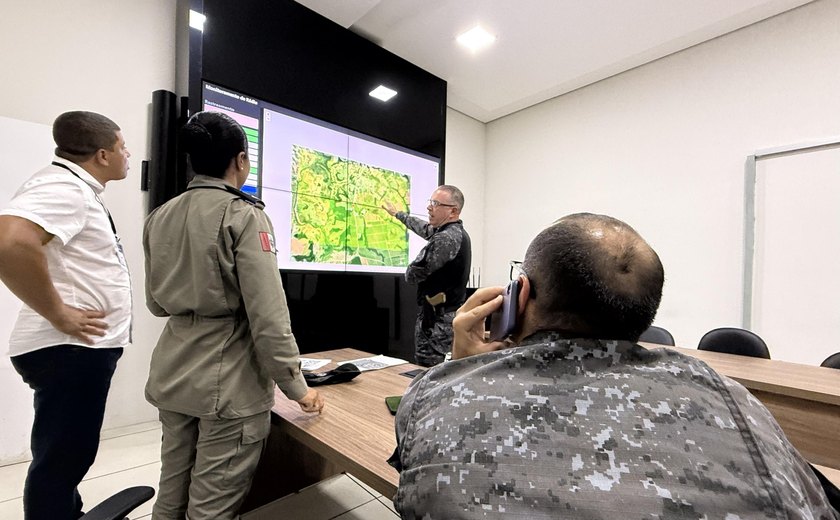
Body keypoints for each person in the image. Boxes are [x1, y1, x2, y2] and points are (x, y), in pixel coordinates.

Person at [390, 213, 839, 519]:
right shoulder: (735, 401)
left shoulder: (433, 395)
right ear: (646, 311)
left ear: (519, 295)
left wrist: (456, 374)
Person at [143, 111, 324, 520]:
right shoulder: (244, 215)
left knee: (172, 491)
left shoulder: (160, 216)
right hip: (227, 384)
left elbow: (157, 304)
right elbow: (269, 316)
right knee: (211, 505)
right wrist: (299, 389)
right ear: (241, 160)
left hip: (173, 372)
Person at [0, 111, 132, 520]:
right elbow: (10, 241)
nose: (129, 155)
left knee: (65, 454)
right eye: (124, 147)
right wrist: (59, 313)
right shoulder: (65, 187)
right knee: (61, 462)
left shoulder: (76, 188)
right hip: (69, 351)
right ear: (103, 154)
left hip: (74, 352)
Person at [383, 185, 471, 366]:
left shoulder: (445, 238)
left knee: (428, 369)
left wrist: (409, 270)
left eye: (436, 203)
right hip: (447, 316)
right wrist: (398, 214)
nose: (429, 207)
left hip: (437, 322)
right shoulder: (454, 232)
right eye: (431, 202)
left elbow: (413, 273)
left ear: (453, 211)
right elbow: (424, 228)